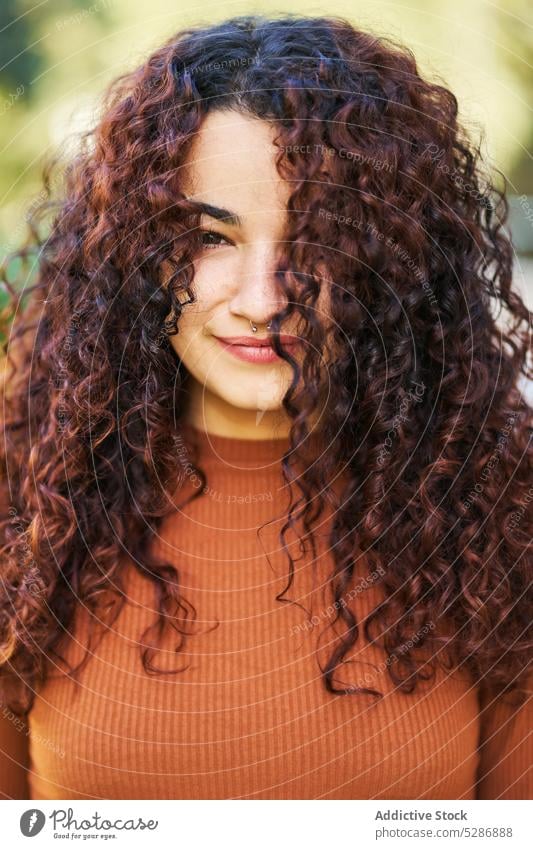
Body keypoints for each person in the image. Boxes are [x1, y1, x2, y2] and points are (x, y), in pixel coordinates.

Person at [0, 14, 531, 800]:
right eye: (210, 236)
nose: (261, 299)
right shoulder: (27, 502)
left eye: (314, 239)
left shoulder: (498, 510)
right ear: (137, 248)